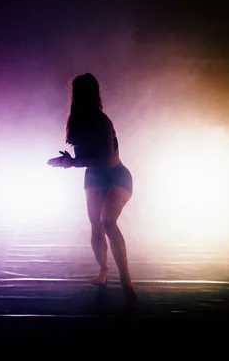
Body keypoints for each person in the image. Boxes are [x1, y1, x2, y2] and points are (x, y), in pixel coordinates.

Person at [48, 73, 137, 305]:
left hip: (117, 175)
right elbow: (84, 159)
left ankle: (126, 280)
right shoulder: (76, 123)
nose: (77, 97)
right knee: (96, 226)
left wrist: (72, 163)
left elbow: (106, 161)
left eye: (80, 93)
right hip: (95, 177)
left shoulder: (103, 121)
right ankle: (103, 269)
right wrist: (67, 161)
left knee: (108, 221)